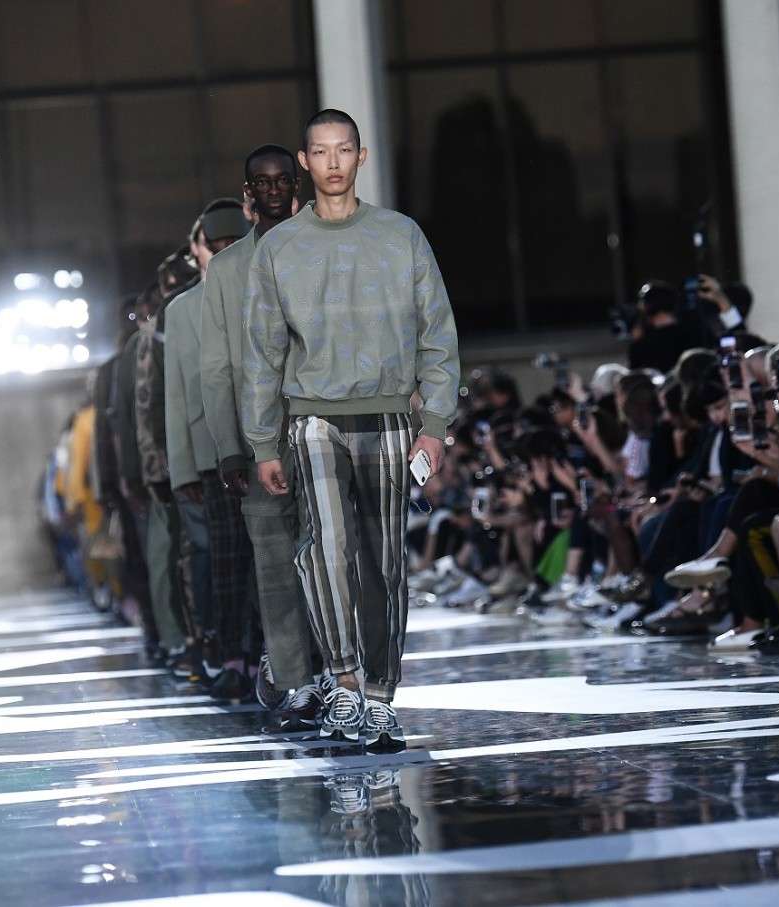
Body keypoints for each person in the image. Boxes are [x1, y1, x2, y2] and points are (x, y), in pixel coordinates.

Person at [242, 109, 461, 752]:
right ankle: (342, 682)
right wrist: (261, 441)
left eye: (344, 150)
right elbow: (262, 350)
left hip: (392, 415)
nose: (333, 162)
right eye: (321, 151)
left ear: (361, 158)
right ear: (306, 161)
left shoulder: (401, 236)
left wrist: (436, 424)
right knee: (326, 551)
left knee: (386, 561)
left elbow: (437, 332)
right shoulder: (280, 249)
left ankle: (379, 697)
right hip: (312, 417)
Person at [200, 144, 323, 729]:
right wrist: (229, 444)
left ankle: (337, 672)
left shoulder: (329, 246)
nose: (272, 189)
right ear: (248, 191)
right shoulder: (225, 272)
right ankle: (297, 682)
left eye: (281, 179)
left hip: (329, 426)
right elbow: (219, 364)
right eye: (261, 182)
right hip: (261, 437)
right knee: (275, 562)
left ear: (294, 183)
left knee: (333, 557)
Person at [164, 198, 252, 698]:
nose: (222, 253)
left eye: (231, 244)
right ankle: (234, 656)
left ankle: (268, 659)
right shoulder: (180, 311)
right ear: (197, 249)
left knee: (272, 562)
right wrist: (182, 472)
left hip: (266, 445)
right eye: (213, 245)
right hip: (211, 452)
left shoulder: (263, 290)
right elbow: (176, 397)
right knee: (226, 561)